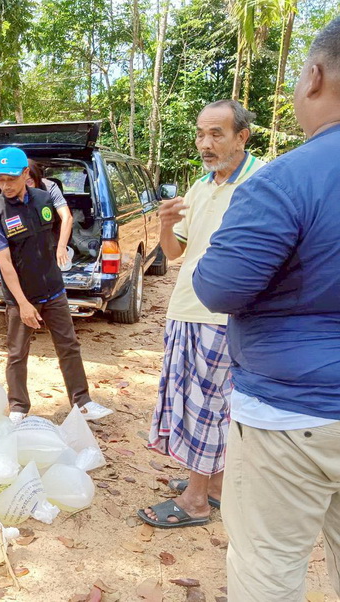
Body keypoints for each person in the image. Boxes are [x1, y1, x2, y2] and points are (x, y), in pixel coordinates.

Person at [193, 18, 340, 601]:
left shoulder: (284, 181)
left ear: (314, 77)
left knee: (268, 568)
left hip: (291, 415)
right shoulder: (209, 187)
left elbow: (218, 286)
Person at [138, 100, 264, 529]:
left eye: (216, 134)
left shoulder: (261, 182)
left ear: (241, 137)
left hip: (225, 314)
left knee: (208, 407)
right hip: (187, 309)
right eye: (200, 134)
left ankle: (194, 500)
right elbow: (175, 254)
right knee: (197, 402)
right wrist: (164, 224)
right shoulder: (201, 186)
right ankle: (214, 486)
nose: (205, 144)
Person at [0, 147, 107, 424]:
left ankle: (82, 402)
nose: (5, 185)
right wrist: (23, 303)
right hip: (21, 297)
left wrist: (61, 249)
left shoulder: (43, 198)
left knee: (69, 346)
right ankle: (18, 407)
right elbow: (5, 263)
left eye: (11, 179)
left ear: (25, 173)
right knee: (17, 353)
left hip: (53, 289)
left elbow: (57, 231)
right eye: (0, 180)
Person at [0, 159, 65, 256]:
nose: (24, 186)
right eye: (1, 180)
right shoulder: (11, 195)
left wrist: (61, 248)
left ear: (36, 177)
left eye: (29, 181)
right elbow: (2, 216)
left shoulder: (48, 189)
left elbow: (66, 217)